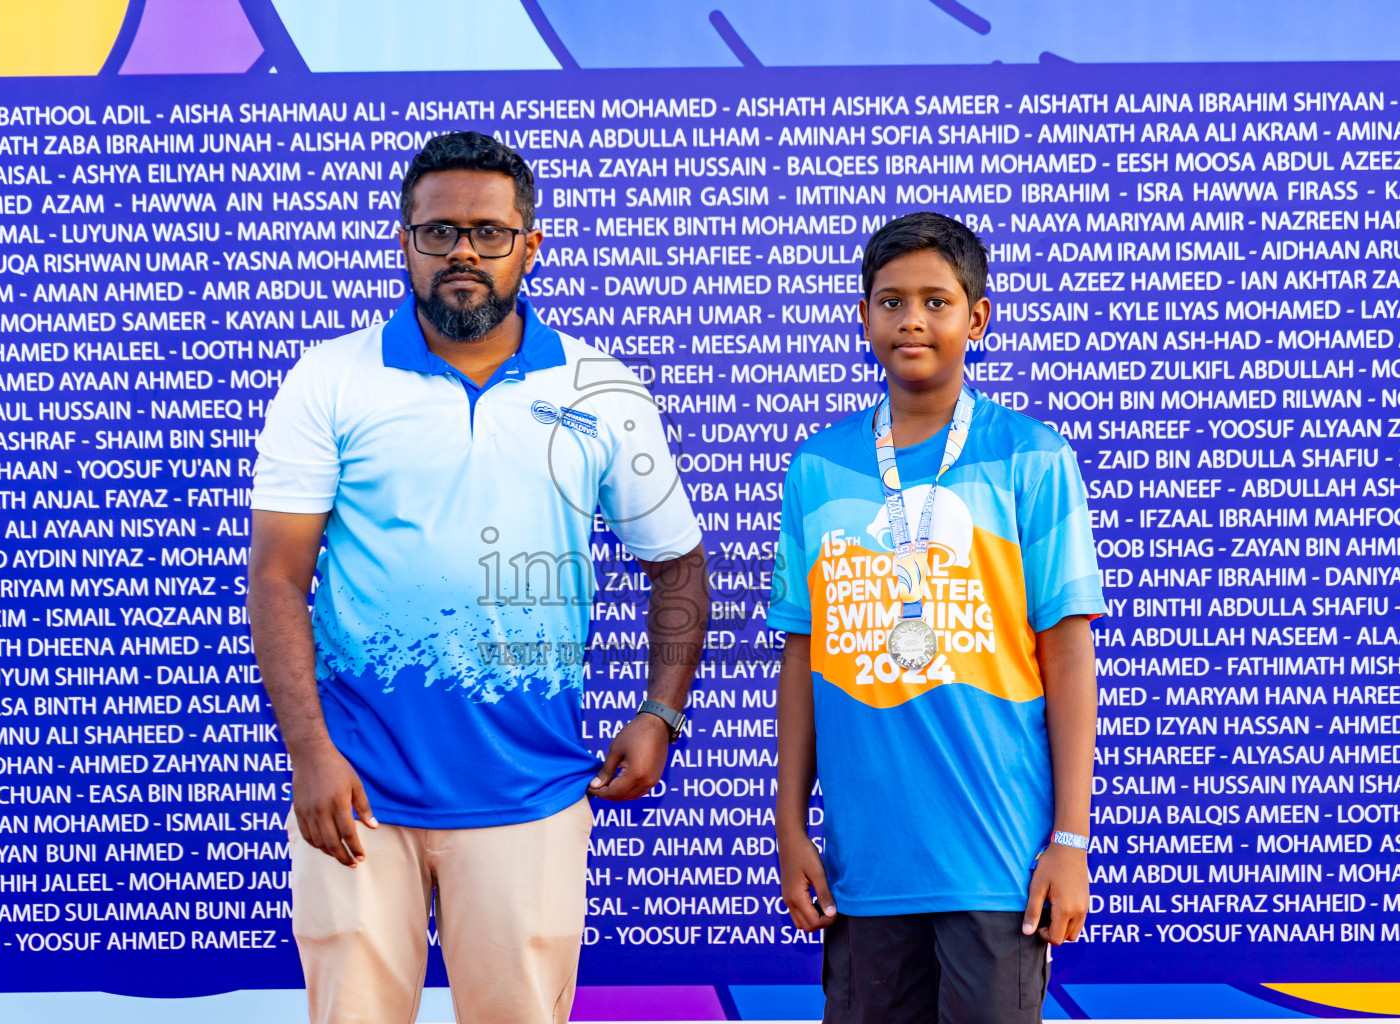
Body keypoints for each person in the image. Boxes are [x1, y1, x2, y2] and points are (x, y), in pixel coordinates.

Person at [247, 131, 708, 1024]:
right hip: (358, 793)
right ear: (404, 242)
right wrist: (310, 754)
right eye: (439, 231)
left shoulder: (600, 388)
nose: (464, 251)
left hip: (529, 791)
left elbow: (676, 559)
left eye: (489, 233)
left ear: (529, 246)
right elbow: (276, 577)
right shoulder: (331, 379)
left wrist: (660, 712)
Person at [768, 212, 1104, 1023]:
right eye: (889, 301)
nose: (911, 319)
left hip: (994, 861)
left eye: (935, 301)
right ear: (863, 316)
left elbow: (1066, 655)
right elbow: (802, 659)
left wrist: (1070, 841)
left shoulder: (1030, 456)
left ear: (976, 317)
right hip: (866, 870)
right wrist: (789, 827)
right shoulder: (819, 466)